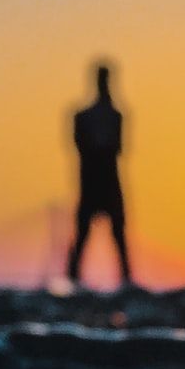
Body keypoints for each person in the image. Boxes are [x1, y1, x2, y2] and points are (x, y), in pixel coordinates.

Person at [67, 63, 132, 285]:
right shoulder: (100, 116)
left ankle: (124, 282)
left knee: (114, 235)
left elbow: (117, 147)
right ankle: (74, 281)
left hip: (104, 180)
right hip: (95, 181)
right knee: (88, 234)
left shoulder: (113, 116)